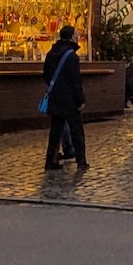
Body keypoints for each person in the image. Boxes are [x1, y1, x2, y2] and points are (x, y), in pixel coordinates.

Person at [41, 25, 88, 171]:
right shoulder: (72, 57)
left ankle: (51, 161)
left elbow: (46, 75)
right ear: (72, 36)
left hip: (55, 97)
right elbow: (76, 81)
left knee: (55, 130)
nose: (77, 36)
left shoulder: (50, 53)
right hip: (70, 100)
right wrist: (81, 100)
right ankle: (81, 162)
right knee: (76, 131)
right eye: (76, 34)